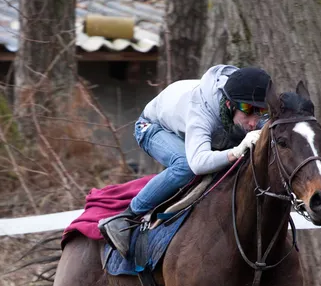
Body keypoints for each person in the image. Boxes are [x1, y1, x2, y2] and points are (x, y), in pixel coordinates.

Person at [99, 64, 271, 258]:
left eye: (260, 110)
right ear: (230, 104)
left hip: (191, 129)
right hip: (152, 128)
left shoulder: (243, 93)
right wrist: (237, 151)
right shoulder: (201, 113)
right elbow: (197, 163)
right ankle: (125, 218)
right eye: (248, 111)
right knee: (185, 165)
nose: (253, 121)